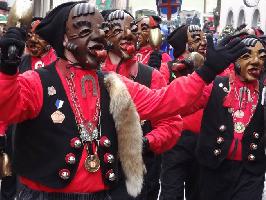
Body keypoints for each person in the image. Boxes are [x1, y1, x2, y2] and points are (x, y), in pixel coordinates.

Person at [0, 2, 247, 199]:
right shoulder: (36, 81)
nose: (99, 36)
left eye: (101, 29)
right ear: (63, 40)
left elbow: (163, 102)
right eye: (86, 30)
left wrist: (207, 71)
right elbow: (7, 108)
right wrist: (7, 70)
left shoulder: (112, 83)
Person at [102, 10, 180, 200]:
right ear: (104, 35)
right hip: (95, 172)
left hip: (138, 174)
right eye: (119, 29)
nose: (128, 34)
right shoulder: (92, 73)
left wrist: (147, 142)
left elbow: (171, 123)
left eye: (133, 29)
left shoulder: (151, 76)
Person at [193, 35, 266, 200]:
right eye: (247, 56)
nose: (256, 61)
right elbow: (187, 103)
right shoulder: (215, 85)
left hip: (250, 172)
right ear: (234, 60)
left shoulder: (264, 92)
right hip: (214, 168)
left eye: (262, 57)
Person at [159, 24, 206, 200]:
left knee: (199, 192)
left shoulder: (212, 66)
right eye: (196, 39)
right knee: (172, 191)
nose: (203, 43)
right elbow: (164, 100)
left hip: (204, 141)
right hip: (176, 140)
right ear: (184, 44)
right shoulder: (168, 68)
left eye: (204, 38)